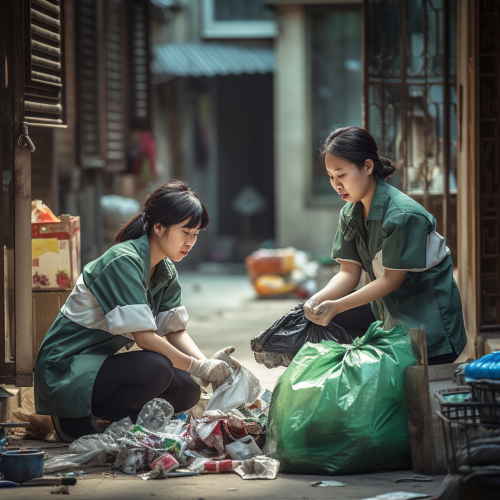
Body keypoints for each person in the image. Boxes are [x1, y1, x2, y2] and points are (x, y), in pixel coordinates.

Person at [34, 180, 236, 441]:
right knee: (157, 368)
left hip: (98, 366)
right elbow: (145, 338)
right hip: (65, 368)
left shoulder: (164, 269)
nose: (190, 242)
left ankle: (110, 423)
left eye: (196, 234)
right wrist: (198, 366)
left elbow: (175, 331)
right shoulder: (123, 261)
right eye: (185, 232)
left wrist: (207, 364)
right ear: (159, 227)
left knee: (187, 390)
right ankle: (71, 419)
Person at [304, 127, 466, 365]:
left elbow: (392, 280)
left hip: (431, 328)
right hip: (390, 313)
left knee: (337, 316)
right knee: (321, 318)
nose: (336, 184)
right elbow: (348, 273)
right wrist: (314, 302)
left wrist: (336, 306)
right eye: (330, 176)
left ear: (368, 167)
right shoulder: (350, 213)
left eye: (341, 175)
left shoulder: (402, 215)